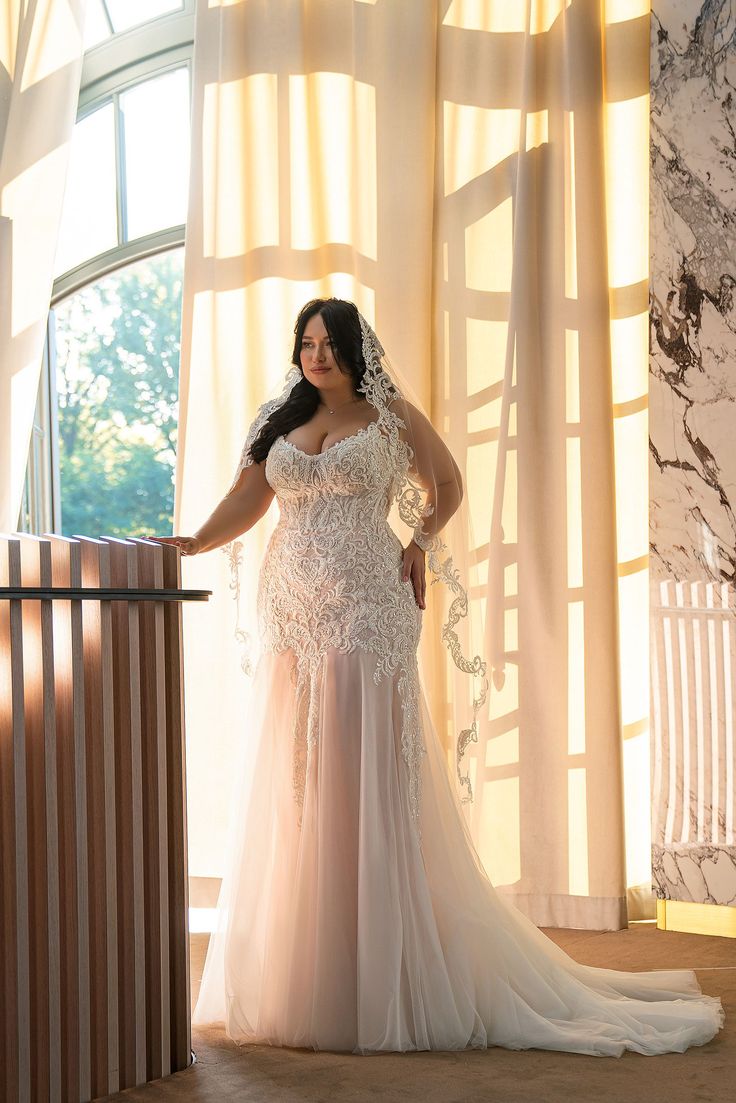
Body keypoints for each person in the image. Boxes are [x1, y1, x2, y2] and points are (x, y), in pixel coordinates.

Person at [155, 298, 724, 1057]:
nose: (316, 355)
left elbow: (448, 483)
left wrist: (419, 542)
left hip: (368, 606)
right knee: (298, 781)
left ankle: (377, 972)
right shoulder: (278, 418)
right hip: (293, 611)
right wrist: (191, 542)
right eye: (307, 342)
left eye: (329, 343)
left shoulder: (389, 416)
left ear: (357, 347)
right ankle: (308, 963)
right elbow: (250, 498)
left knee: (362, 776)